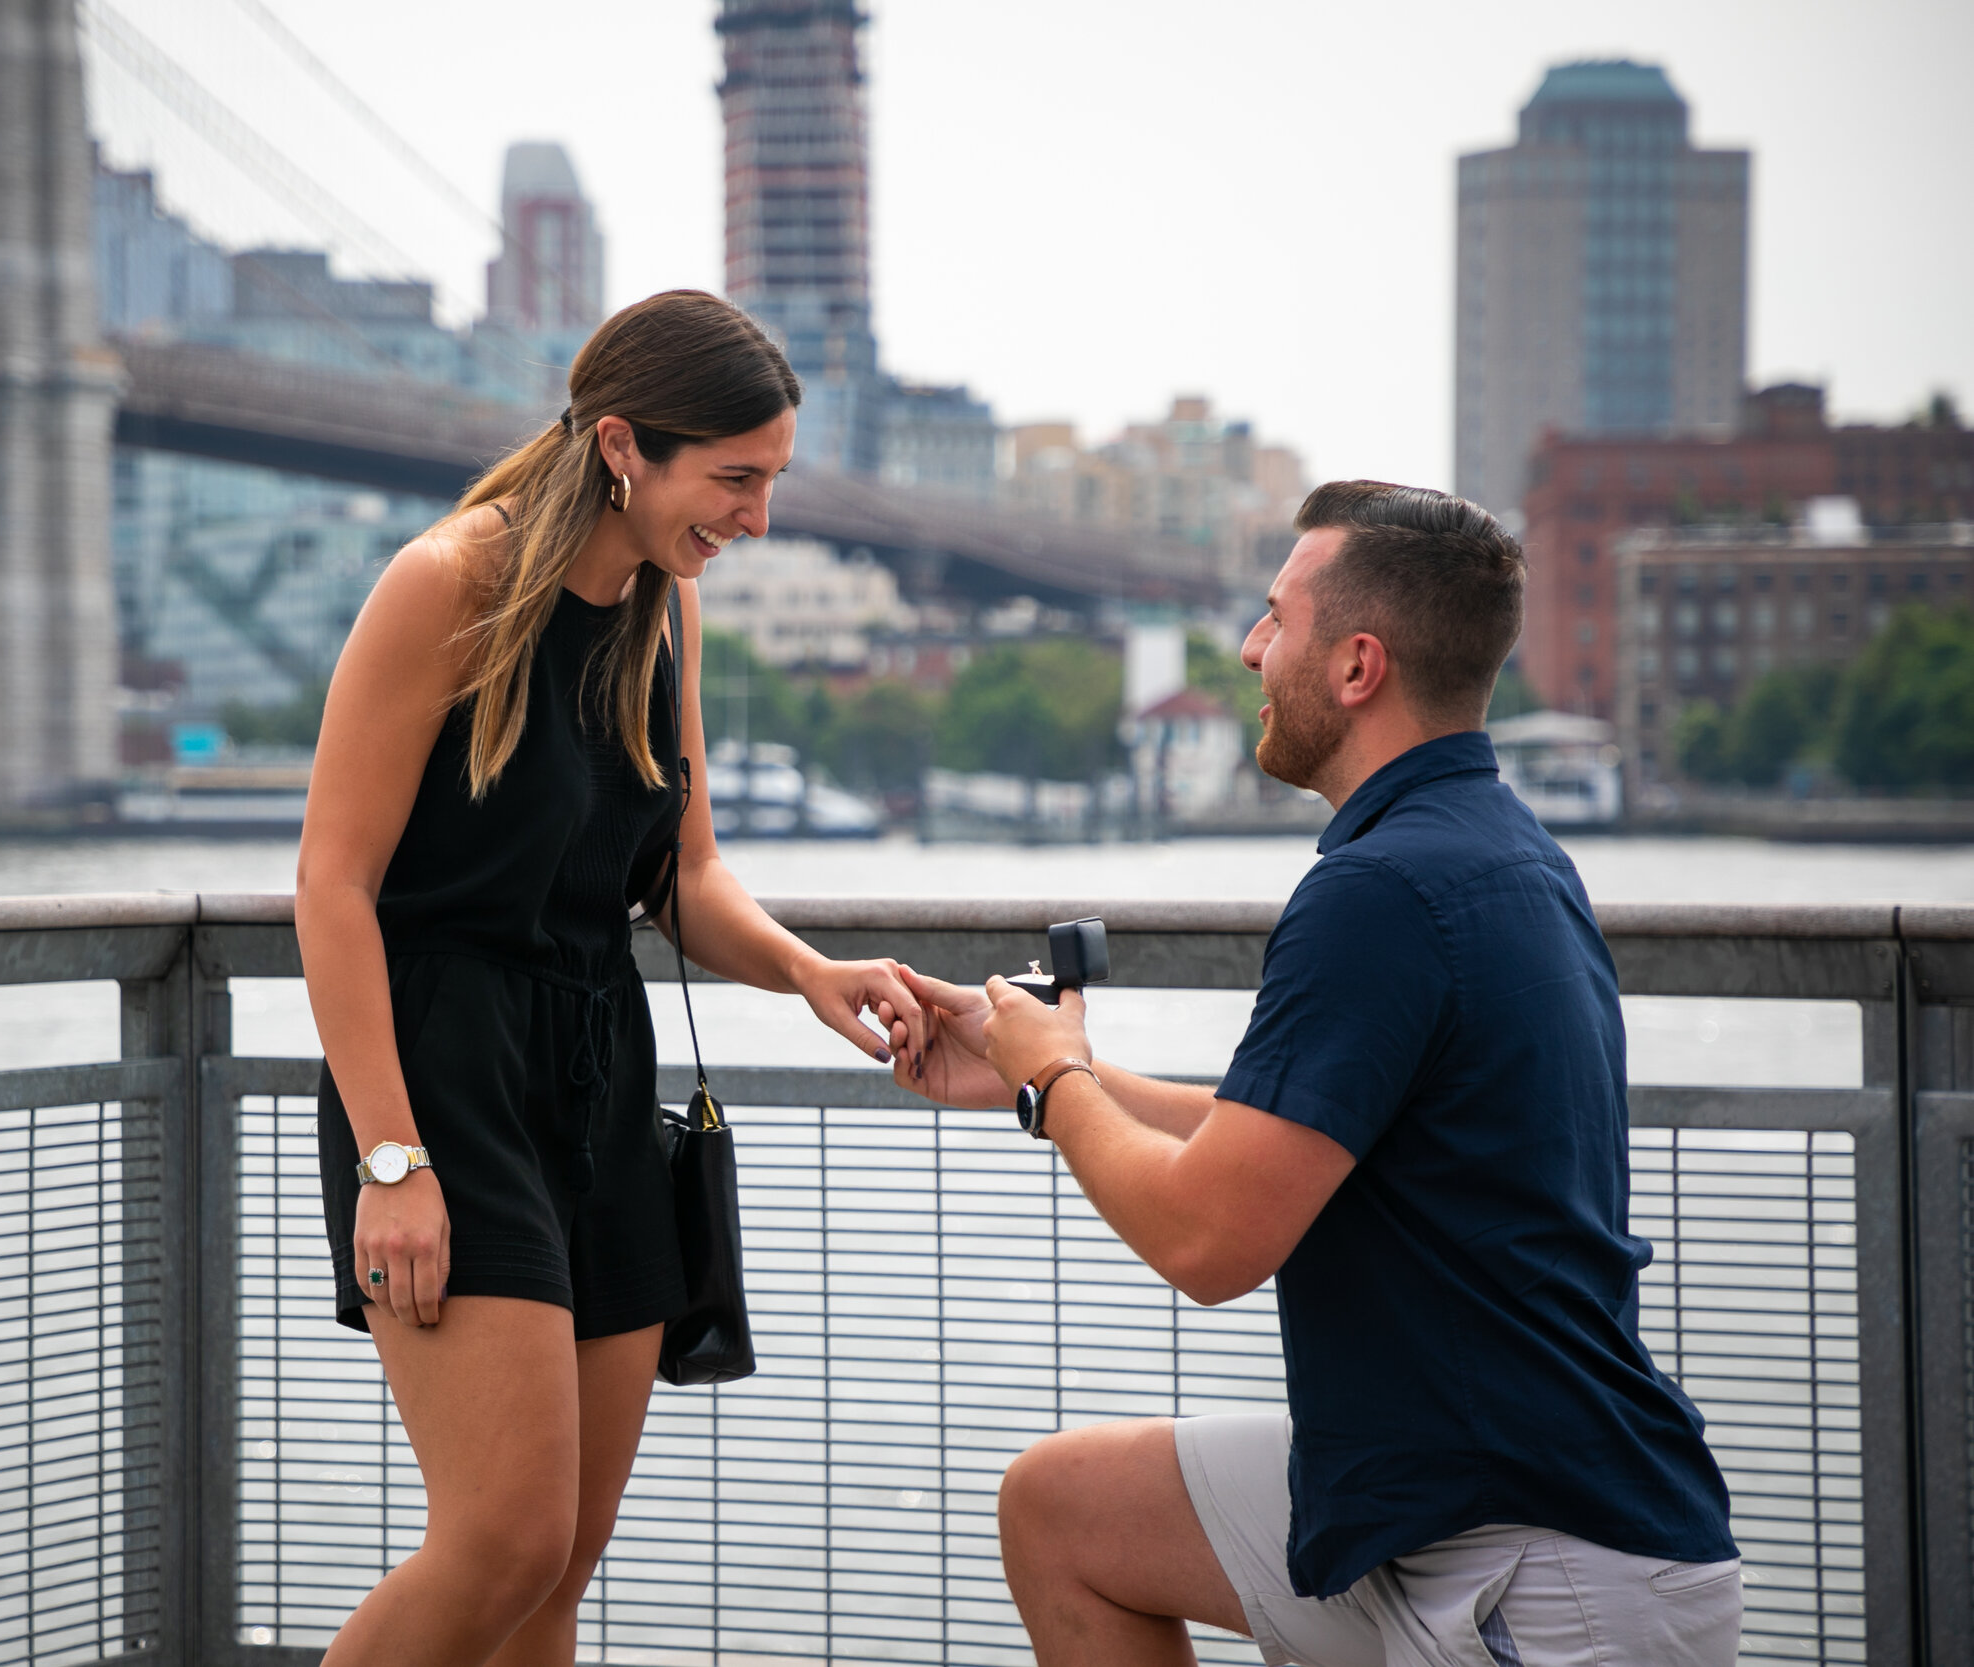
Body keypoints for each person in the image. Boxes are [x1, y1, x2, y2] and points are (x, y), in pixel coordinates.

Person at [891, 482, 1742, 1667]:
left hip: (1541, 1566)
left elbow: (1206, 1241)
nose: (1247, 648)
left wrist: (1058, 1086)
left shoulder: (1378, 895)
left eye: (1273, 620)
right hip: (1443, 1494)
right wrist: (1029, 1064)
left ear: (1355, 667)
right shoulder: (1499, 849)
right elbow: (1289, 1139)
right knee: (1063, 1508)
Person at [295, 289, 925, 1667]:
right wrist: (391, 1157)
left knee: (565, 1557)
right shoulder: (447, 579)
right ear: (627, 445)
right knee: (502, 1538)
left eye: (770, 480)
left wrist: (812, 972)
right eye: (736, 478)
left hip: (600, 1074)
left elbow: (682, 875)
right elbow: (331, 886)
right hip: (442, 1082)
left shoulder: (660, 607)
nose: (755, 517)